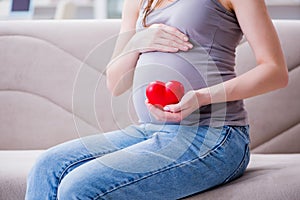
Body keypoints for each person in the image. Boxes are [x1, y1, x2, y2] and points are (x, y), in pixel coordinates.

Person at [25, 0, 288, 199]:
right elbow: (116, 84)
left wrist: (201, 97)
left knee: (81, 186)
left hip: (214, 135)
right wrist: (138, 40)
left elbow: (275, 72)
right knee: (47, 166)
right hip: (149, 130)